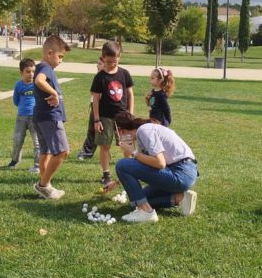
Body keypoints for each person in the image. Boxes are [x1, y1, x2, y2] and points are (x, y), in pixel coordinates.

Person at [109, 111, 198, 224]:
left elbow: (160, 163)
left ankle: (146, 213)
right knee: (141, 198)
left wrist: (133, 152)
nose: (118, 136)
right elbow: (142, 167)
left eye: (116, 133)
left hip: (180, 173)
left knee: (122, 164)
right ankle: (180, 198)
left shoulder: (144, 130)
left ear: (120, 130)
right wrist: (117, 182)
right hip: (182, 172)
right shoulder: (142, 135)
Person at [90, 41, 134, 188]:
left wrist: (131, 114)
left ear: (119, 57)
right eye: (108, 62)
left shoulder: (124, 74)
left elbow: (130, 94)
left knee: (127, 144)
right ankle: (106, 174)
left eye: (114, 62)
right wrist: (97, 120)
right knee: (105, 146)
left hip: (123, 117)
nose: (111, 64)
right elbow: (95, 99)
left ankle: (128, 171)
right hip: (105, 117)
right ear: (103, 58)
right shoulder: (100, 77)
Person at [32, 34, 70, 199]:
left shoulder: (42, 67)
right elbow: (39, 81)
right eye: (59, 56)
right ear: (49, 53)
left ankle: (45, 187)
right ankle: (43, 185)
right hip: (50, 117)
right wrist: (54, 92)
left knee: (46, 152)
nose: (61, 60)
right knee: (62, 151)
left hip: (41, 117)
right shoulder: (45, 68)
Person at [9, 57, 40, 173]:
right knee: (18, 140)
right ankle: (15, 160)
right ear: (21, 72)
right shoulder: (18, 85)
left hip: (35, 117)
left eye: (33, 71)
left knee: (37, 142)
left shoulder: (38, 84)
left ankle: (37, 165)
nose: (31, 74)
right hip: (21, 117)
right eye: (28, 71)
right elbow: (15, 101)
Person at [77, 55, 105, 160]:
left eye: (100, 63)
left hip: (105, 109)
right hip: (95, 107)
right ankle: (87, 152)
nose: (97, 65)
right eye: (97, 63)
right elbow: (92, 92)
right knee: (92, 130)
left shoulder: (107, 77)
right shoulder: (98, 76)